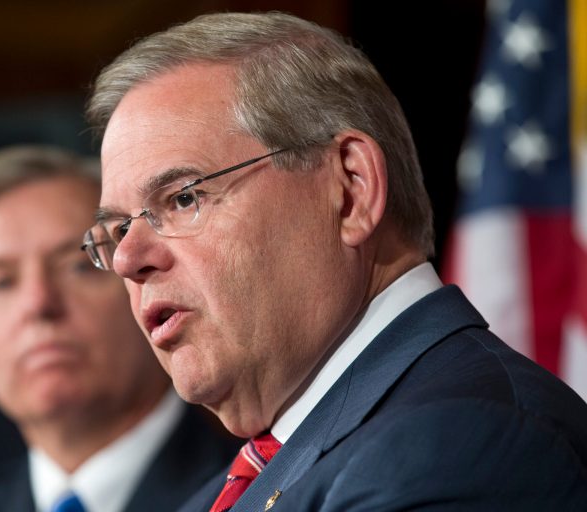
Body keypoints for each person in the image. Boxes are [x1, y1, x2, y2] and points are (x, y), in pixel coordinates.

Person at [80, 11, 587, 511]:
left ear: (350, 190)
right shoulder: (218, 496)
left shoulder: (468, 447)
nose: (126, 259)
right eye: (120, 228)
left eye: (183, 198)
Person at [0, 145, 238, 512]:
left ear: (142, 281)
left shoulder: (261, 490)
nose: (38, 303)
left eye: (79, 267)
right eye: (0, 282)